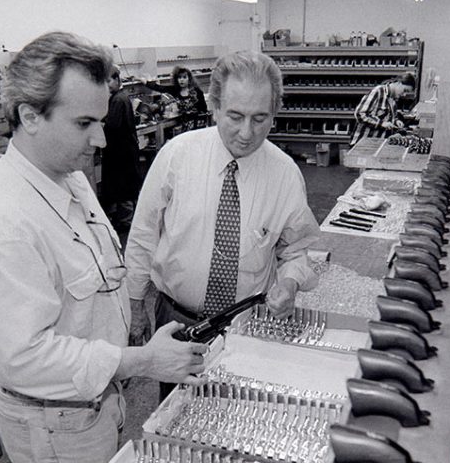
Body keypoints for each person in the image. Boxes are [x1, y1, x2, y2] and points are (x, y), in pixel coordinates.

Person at [0, 31, 206, 463]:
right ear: (29, 116)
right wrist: (143, 360)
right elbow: (25, 359)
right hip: (57, 423)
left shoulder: (67, 179)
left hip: (98, 402)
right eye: (85, 123)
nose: (101, 139)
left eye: (102, 119)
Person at [125, 51, 321, 397]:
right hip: (178, 322)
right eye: (235, 116)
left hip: (246, 325)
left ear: (275, 113)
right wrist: (135, 303)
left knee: (239, 420)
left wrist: (289, 284)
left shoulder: (285, 175)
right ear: (214, 106)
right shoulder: (176, 156)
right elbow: (143, 235)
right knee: (176, 422)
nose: (246, 132)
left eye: (260, 118)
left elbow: (297, 250)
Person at [100, 66, 143, 233]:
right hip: (125, 150)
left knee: (123, 187)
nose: (107, 84)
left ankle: (126, 222)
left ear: (118, 80)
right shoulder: (120, 97)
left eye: (110, 80)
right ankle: (126, 218)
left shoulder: (118, 99)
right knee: (126, 186)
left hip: (121, 152)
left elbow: (112, 125)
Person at [349, 72, 416, 146]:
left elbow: (388, 116)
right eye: (405, 90)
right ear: (398, 83)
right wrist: (382, 124)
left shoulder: (393, 98)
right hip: (361, 143)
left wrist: (396, 121)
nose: (404, 95)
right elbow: (360, 114)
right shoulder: (378, 91)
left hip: (376, 143)